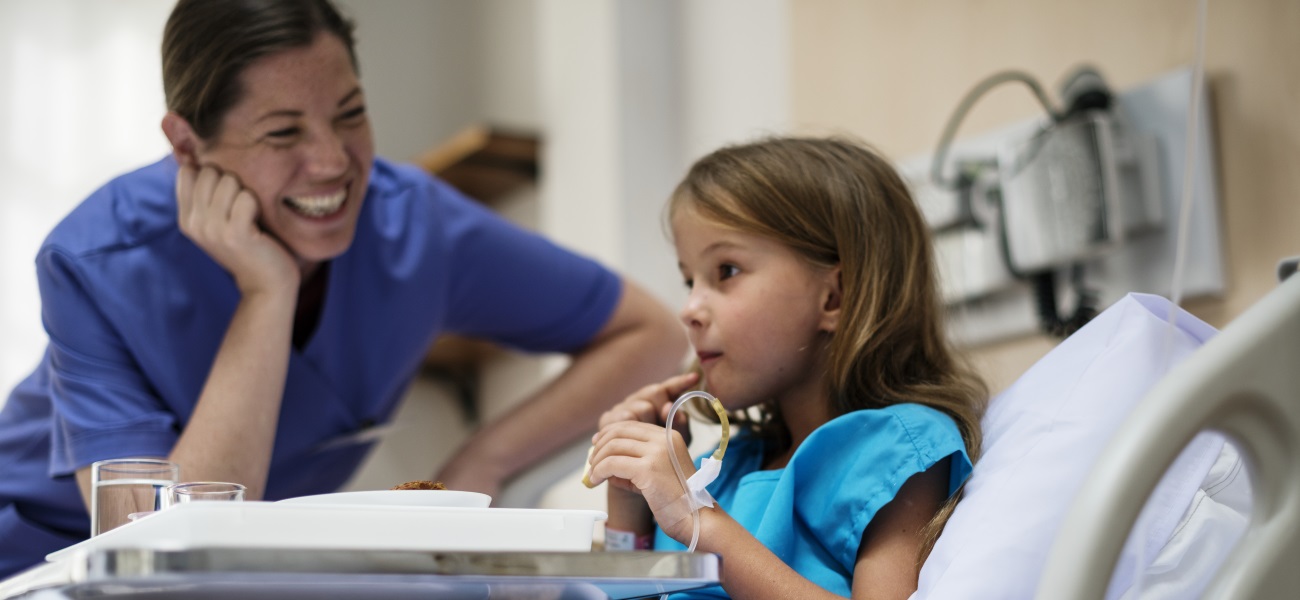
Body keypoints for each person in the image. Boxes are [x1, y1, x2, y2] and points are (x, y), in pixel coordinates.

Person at [0, 0, 686, 577]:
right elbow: (157, 550)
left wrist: (483, 461)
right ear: (187, 147)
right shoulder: (95, 259)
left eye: (350, 113)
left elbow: (649, 334)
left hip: (237, 571)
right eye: (282, 132)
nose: (333, 161)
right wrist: (267, 294)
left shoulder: (415, 226)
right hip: (38, 558)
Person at [585, 137, 987, 599]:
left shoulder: (895, 451)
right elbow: (633, 591)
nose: (689, 308)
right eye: (688, 280)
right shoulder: (724, 466)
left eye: (726, 271)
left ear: (833, 297)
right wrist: (629, 501)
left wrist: (698, 520)